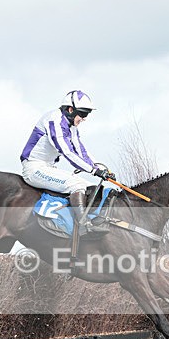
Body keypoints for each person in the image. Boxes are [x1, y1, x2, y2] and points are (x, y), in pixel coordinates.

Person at [20, 90, 114, 233]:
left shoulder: (71, 126)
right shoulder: (54, 121)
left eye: (87, 114)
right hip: (34, 168)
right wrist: (94, 171)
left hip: (48, 167)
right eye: (82, 114)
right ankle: (83, 226)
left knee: (87, 185)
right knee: (76, 185)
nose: (84, 118)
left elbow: (80, 150)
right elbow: (67, 152)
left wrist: (99, 167)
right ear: (70, 110)